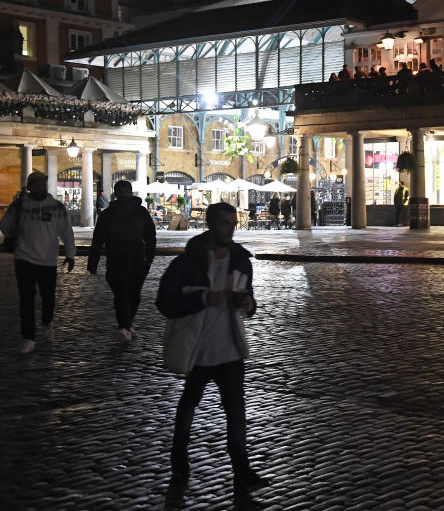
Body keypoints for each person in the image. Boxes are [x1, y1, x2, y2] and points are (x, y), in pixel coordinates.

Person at [156, 202, 268, 492]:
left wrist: (249, 304)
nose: (231, 229)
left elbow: (248, 297)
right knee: (188, 405)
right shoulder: (188, 261)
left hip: (229, 348)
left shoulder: (240, 259)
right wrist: (204, 299)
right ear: (211, 224)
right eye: (224, 224)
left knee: (236, 411)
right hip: (199, 349)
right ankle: (179, 463)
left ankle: (242, 470)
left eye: (234, 223)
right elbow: (165, 303)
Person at [0, 171, 75, 354]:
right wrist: (14, 234)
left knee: (48, 298)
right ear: (30, 186)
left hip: (48, 259)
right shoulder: (20, 205)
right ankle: (28, 337)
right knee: (26, 298)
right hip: (24, 257)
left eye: (44, 184)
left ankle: (47, 322)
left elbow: (66, 231)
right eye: (39, 184)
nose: (43, 187)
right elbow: (5, 225)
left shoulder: (56, 207)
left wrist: (70, 254)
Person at [87, 180, 157, 343]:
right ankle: (124, 326)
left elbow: (150, 237)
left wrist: (149, 258)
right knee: (121, 294)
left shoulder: (141, 212)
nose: (125, 195)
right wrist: (93, 261)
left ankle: (127, 323)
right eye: (121, 192)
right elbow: (98, 239)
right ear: (116, 194)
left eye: (127, 191)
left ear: (131, 193)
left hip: (137, 258)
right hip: (116, 258)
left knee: (135, 295)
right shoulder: (107, 215)